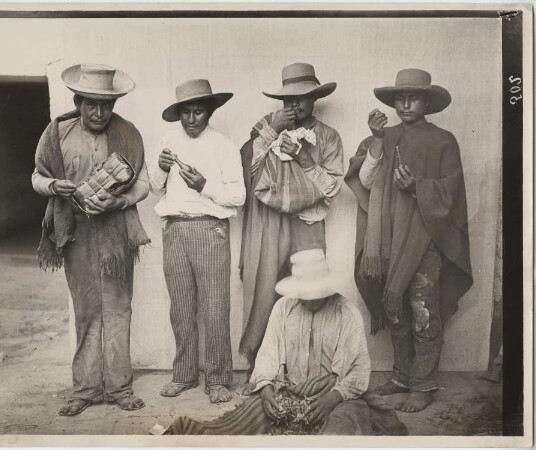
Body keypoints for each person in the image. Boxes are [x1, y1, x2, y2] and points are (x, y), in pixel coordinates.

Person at [166, 249, 407, 436]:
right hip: (289, 391)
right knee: (249, 418)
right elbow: (268, 355)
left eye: (316, 293)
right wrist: (267, 389)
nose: (311, 299)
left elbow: (358, 371)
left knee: (347, 422)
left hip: (335, 395)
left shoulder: (347, 312)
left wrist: (332, 398)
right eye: (305, 293)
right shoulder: (284, 308)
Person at [345, 69, 473, 413]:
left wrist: (417, 187)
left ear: (427, 101)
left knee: (422, 311)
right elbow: (365, 181)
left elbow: (453, 190)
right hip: (386, 239)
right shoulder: (381, 135)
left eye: (412, 97)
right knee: (395, 309)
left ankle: (423, 383)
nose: (405, 104)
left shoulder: (443, 140)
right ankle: (402, 376)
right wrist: (374, 140)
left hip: (423, 240)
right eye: (399, 98)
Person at [32, 64, 151, 416]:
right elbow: (37, 176)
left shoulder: (129, 134)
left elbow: (143, 182)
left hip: (116, 229)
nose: (99, 113)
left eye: (107, 105)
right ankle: (84, 389)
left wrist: (122, 200)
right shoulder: (57, 134)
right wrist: (54, 186)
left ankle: (120, 388)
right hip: (77, 229)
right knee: (86, 309)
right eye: (91, 105)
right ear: (78, 101)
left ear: (114, 104)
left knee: (118, 307)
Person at [239, 63, 344, 373]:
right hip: (270, 219)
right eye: (289, 99)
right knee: (266, 290)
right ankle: (262, 368)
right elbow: (246, 170)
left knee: (310, 291)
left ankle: (308, 369)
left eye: (303, 97)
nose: (295, 105)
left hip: (308, 221)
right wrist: (270, 129)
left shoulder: (328, 136)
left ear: (315, 99)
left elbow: (332, 187)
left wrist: (304, 158)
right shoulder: (266, 127)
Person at [150, 79, 246, 404]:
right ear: (179, 114)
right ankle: (185, 374)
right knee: (181, 307)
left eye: (199, 112)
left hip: (210, 230)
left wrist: (205, 186)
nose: (192, 119)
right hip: (174, 229)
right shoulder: (167, 140)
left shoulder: (224, 145)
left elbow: (238, 197)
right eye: (186, 113)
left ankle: (218, 379)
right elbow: (153, 187)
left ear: (210, 112)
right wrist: (161, 171)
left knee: (215, 307)